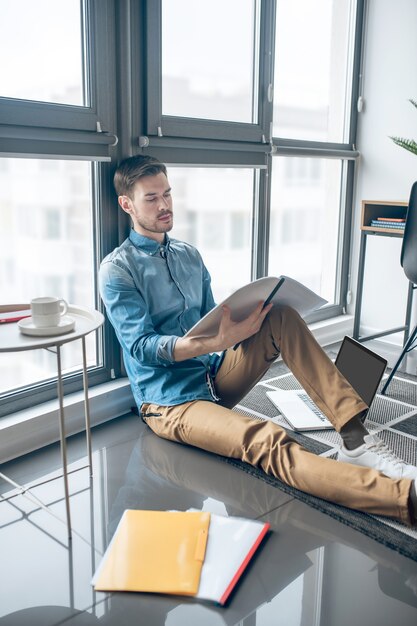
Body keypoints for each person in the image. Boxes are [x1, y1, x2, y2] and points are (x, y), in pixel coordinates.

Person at [99, 154, 417, 526]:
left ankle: (354, 440)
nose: (165, 205)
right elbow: (141, 348)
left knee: (279, 315)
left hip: (214, 377)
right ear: (127, 204)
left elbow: (207, 320)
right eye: (151, 198)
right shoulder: (117, 269)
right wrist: (217, 343)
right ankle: (403, 498)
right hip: (170, 403)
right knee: (267, 440)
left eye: (167, 193)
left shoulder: (189, 255)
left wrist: (240, 327)